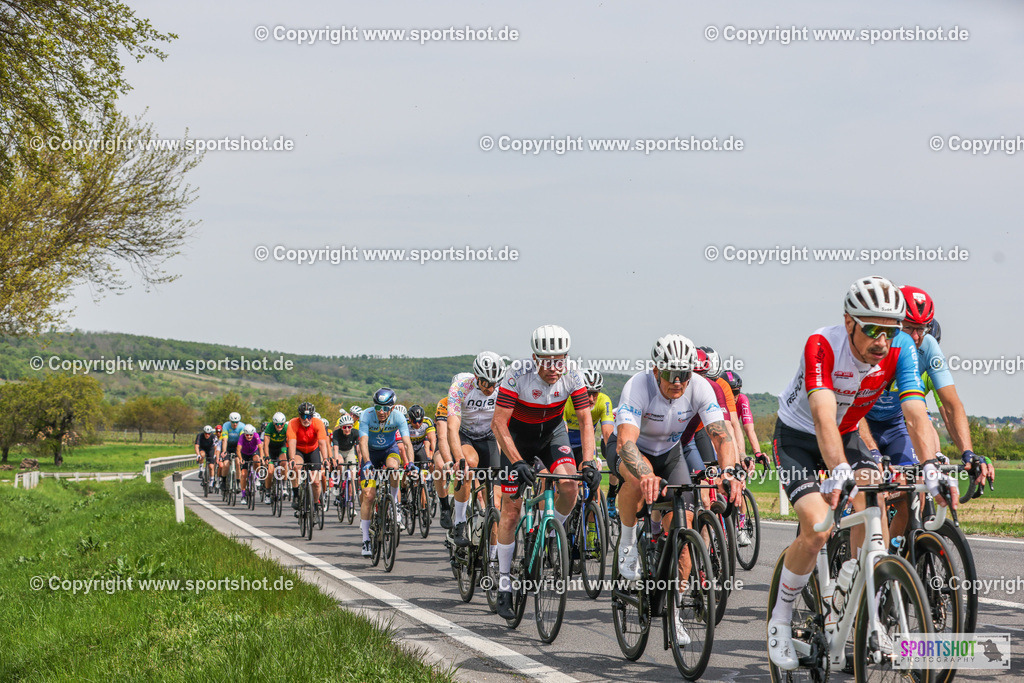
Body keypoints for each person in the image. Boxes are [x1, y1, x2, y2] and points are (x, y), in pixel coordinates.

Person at [767, 276, 957, 670]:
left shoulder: (899, 351)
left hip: (848, 433)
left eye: (890, 331)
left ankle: (860, 591)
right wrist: (837, 469)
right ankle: (781, 620)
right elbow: (822, 415)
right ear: (849, 321)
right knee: (818, 527)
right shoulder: (822, 344)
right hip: (799, 438)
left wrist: (932, 465)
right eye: (872, 329)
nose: (882, 341)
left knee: (875, 500)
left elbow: (916, 413)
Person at [491, 325, 599, 620]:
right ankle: (503, 583)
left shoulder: (573, 374)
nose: (554, 367)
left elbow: (586, 421)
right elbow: (499, 424)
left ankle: (550, 529)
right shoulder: (517, 373)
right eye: (547, 360)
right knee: (511, 513)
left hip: (553, 435)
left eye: (560, 359)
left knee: (569, 486)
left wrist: (588, 462)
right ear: (534, 357)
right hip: (517, 439)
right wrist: (515, 461)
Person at [449, 352, 506, 547]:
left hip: (489, 436)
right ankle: (460, 522)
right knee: (468, 464)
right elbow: (452, 427)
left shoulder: (503, 389)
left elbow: (506, 424)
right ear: (476, 377)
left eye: (494, 383)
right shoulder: (460, 387)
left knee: (496, 504)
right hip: (466, 435)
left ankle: (491, 558)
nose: (490, 388)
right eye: (486, 383)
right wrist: (458, 459)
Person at [357, 388, 414, 556]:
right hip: (371, 453)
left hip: (390, 450)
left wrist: (410, 463)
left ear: (393, 407)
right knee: (368, 496)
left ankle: (395, 504)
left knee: (394, 469)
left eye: (385, 408)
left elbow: (407, 442)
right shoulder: (366, 416)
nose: (381, 412)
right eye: (378, 407)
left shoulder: (398, 417)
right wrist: (367, 462)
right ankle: (366, 539)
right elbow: (363, 441)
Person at [287, 402, 330, 512]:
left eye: (309, 416)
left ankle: (315, 504)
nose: (306, 419)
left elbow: (322, 442)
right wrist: (292, 459)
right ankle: (296, 493)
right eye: (304, 416)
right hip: (298, 450)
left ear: (313, 416)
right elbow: (292, 442)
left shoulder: (318, 423)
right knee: (296, 466)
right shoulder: (293, 423)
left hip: (312, 450)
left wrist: (325, 459)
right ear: (299, 416)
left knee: (315, 482)